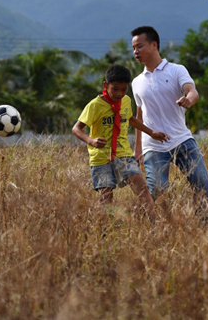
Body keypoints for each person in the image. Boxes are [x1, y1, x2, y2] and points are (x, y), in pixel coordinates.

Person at [130, 25, 208, 214]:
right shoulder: (136, 82)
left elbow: (192, 91)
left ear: (154, 45)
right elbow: (139, 115)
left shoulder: (176, 70)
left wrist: (188, 100)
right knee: (157, 190)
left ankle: (205, 227)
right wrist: (138, 147)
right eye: (133, 48)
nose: (136, 52)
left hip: (182, 140)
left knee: (202, 185)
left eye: (140, 46)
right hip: (154, 146)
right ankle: (152, 229)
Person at [72, 64, 168, 220]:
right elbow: (76, 129)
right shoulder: (95, 105)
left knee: (141, 186)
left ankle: (155, 223)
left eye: (123, 90)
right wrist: (91, 140)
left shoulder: (126, 101)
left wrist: (151, 132)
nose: (119, 93)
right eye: (115, 89)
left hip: (123, 153)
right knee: (106, 198)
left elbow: (130, 119)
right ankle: (104, 231)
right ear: (106, 85)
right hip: (101, 158)